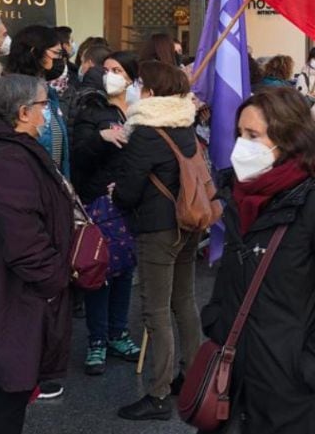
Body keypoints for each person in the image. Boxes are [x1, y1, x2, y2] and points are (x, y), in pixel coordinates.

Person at [200, 88, 315, 433]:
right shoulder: (241, 196)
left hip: (301, 396)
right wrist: (216, 320)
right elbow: (233, 275)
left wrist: (313, 366)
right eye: (239, 134)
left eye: (253, 136)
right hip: (241, 378)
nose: (241, 145)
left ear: (288, 140)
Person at [0, 75, 73, 434]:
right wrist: (54, 279)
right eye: (43, 106)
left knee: (15, 381)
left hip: (11, 285)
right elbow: (22, 234)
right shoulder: (6, 158)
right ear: (23, 112)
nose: (47, 115)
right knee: (13, 384)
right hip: (13, 289)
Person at [113, 61, 203, 421]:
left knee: (155, 309)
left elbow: (129, 190)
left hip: (157, 229)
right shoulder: (186, 126)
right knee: (184, 300)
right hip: (190, 222)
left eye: (140, 84)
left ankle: (159, 393)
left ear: (149, 93)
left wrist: (116, 195)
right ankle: (192, 376)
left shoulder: (147, 132)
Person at [70, 51, 143, 376]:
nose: (110, 74)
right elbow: (80, 152)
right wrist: (102, 137)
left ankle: (119, 333)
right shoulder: (93, 109)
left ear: (130, 78)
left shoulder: (141, 111)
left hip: (130, 203)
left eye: (117, 70)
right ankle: (97, 340)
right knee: (98, 271)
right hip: (99, 202)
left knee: (125, 272)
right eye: (107, 69)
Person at [5, 25, 71, 178]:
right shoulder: (10, 94)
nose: (59, 59)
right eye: (55, 53)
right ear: (35, 52)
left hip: (53, 184)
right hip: (28, 185)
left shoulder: (50, 93)